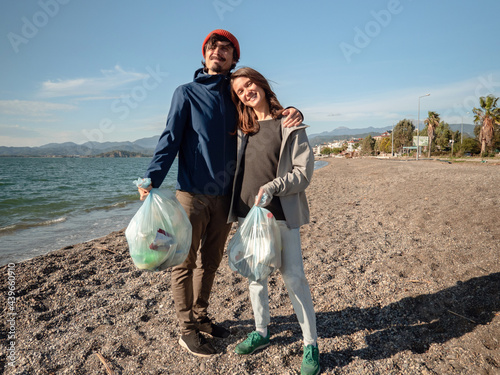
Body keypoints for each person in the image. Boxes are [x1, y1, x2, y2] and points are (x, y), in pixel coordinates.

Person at [138, 30, 303, 358]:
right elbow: (170, 137)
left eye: (226, 49)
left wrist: (292, 111)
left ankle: (201, 317)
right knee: (183, 263)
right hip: (192, 194)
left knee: (210, 263)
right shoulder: (186, 93)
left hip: (227, 198)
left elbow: (265, 110)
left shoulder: (235, 94)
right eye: (213, 47)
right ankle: (186, 330)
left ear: (234, 59)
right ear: (204, 55)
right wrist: (153, 177)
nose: (219, 52)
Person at [228, 67, 320, 375]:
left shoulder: (289, 123)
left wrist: (271, 187)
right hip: (247, 216)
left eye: (249, 84)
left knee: (294, 278)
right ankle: (262, 332)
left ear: (262, 84)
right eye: (240, 90)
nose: (246, 91)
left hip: (281, 216)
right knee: (256, 278)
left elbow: (302, 173)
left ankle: (311, 345)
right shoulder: (242, 128)